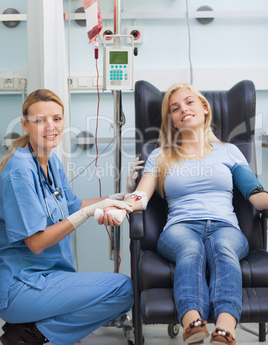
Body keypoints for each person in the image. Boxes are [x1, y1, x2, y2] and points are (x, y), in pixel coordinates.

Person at [124, 83, 268, 345]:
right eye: (175, 108)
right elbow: (142, 195)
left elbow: (256, 195)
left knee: (224, 247)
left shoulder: (229, 151)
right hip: (180, 228)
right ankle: (192, 323)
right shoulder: (161, 155)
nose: (183, 110)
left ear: (204, 108)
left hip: (226, 228)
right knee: (190, 249)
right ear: (172, 120)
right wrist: (125, 201)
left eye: (189, 102)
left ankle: (225, 330)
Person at [0, 88, 140, 345]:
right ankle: (31, 335)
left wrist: (123, 195)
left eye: (57, 118)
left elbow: (73, 204)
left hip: (51, 277)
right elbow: (37, 242)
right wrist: (87, 214)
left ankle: (33, 328)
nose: (50, 126)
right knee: (123, 290)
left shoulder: (50, 162)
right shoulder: (19, 171)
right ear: (25, 124)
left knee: (125, 297)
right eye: (40, 120)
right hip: (22, 286)